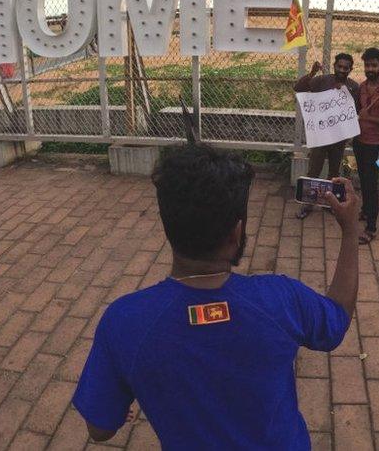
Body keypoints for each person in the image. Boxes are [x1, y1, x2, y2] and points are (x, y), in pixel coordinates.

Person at [72, 144, 362, 449]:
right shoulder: (280, 300)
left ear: (168, 225)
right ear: (236, 233)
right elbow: (336, 320)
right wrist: (350, 230)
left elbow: (100, 429)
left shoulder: (124, 322)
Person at [294, 53, 359, 219]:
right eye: (340, 66)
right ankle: (307, 203)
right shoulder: (322, 81)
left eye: (346, 68)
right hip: (321, 136)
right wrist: (312, 73)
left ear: (351, 69)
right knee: (314, 169)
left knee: (334, 173)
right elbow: (299, 88)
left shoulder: (353, 87)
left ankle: (330, 203)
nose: (342, 70)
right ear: (334, 66)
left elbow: (355, 110)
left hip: (339, 138)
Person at [353, 47, 379, 245]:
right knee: (363, 178)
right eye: (367, 65)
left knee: (372, 184)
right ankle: (365, 210)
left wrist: (369, 117)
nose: (370, 69)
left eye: (374, 65)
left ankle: (371, 227)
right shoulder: (361, 87)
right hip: (360, 142)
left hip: (377, 146)